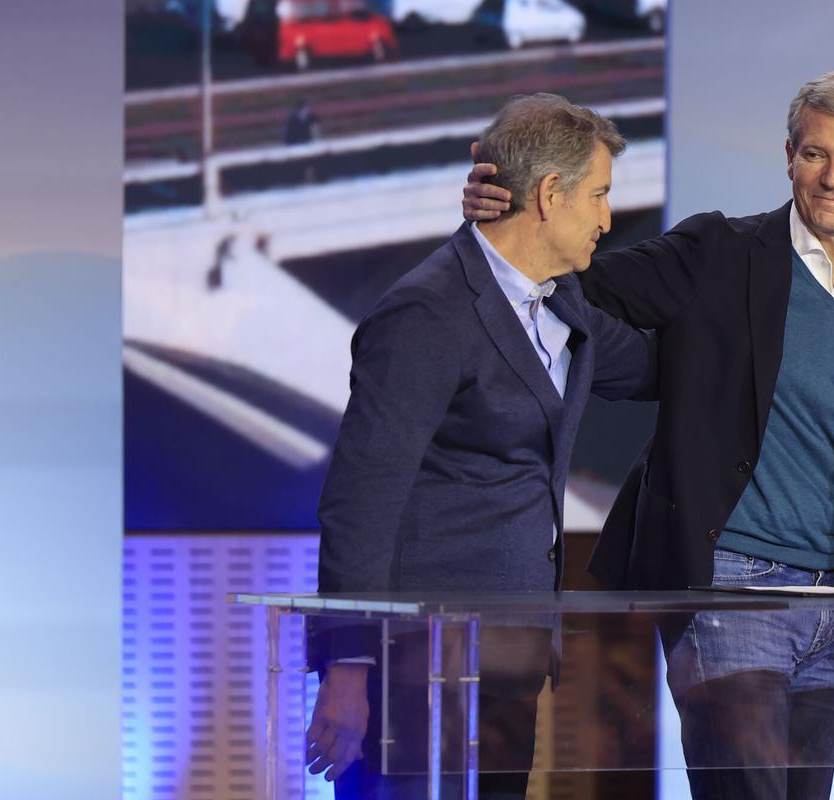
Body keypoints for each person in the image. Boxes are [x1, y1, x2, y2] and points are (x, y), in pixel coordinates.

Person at [463, 69, 834, 800]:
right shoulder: (720, 250)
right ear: (789, 155)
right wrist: (499, 229)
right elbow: (573, 283)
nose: (832, 178)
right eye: (815, 154)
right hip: (729, 587)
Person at [306, 92, 656, 798]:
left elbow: (660, 366)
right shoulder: (426, 312)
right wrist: (346, 670)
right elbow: (361, 500)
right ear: (551, 194)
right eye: (599, 196)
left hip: (507, 658)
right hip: (414, 666)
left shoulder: (563, 302)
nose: (607, 218)